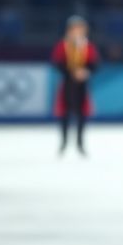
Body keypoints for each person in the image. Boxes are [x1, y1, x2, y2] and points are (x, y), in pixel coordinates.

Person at [51, 14, 99, 156]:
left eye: (81, 28)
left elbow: (95, 63)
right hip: (67, 83)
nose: (78, 30)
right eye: (75, 28)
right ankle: (64, 142)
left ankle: (80, 143)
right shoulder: (63, 45)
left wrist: (86, 71)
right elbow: (57, 63)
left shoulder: (88, 46)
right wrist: (71, 72)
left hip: (82, 84)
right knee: (64, 113)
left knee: (82, 114)